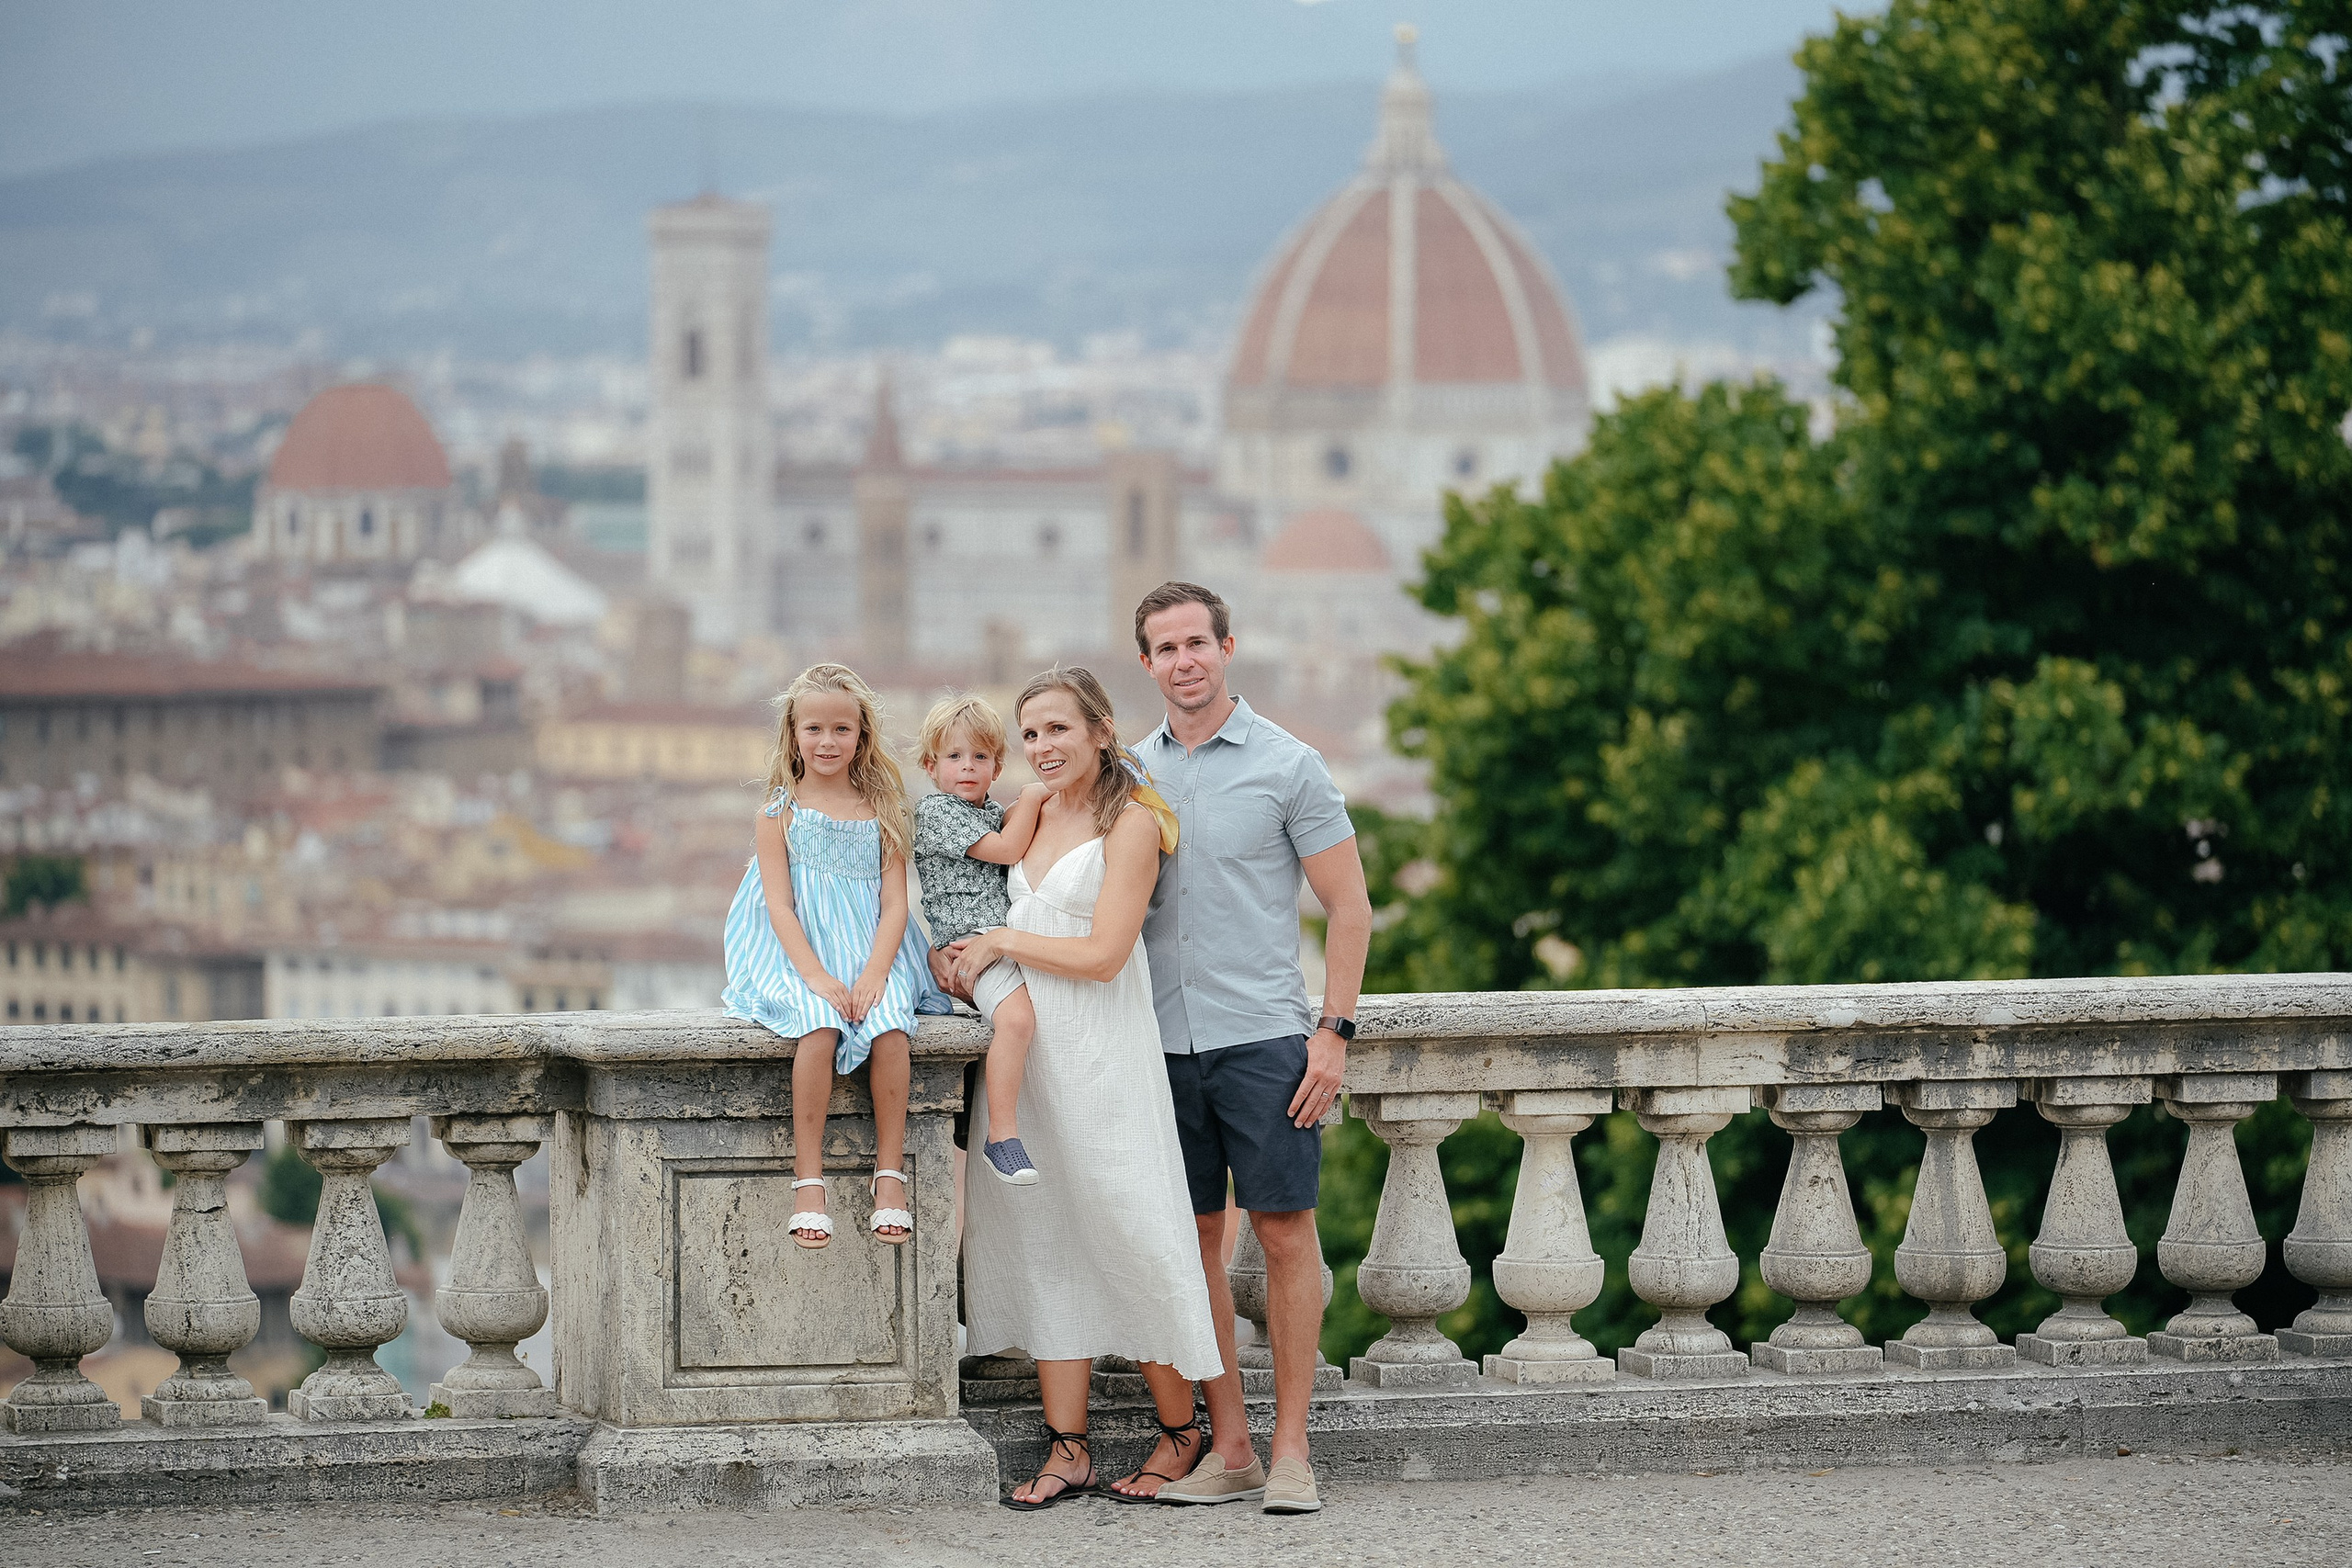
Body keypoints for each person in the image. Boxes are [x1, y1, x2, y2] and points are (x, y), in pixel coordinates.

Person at [948, 666, 1223, 1510]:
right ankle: (1068, 1446)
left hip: (1104, 1052)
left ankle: (1183, 1430)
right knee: (1044, 1237)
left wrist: (1001, 939)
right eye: (1030, 734)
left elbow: (1105, 953)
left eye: (1059, 729)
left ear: (1103, 730)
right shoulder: (1028, 814)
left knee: (1130, 1227)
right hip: (1030, 1057)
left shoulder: (1134, 822)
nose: (1042, 747)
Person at [1127, 581, 1372, 1517]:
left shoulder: (1290, 766)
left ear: (1228, 648)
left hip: (1266, 1038)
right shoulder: (1124, 774)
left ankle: (1293, 1451)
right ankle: (1228, 1446)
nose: (1184, 660)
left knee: (1281, 1235)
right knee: (1193, 1244)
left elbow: (1349, 906)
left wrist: (1333, 1034)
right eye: (1166, 647)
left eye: (1198, 642)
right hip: (1157, 1044)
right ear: (1147, 664)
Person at [720, 662, 950, 1250]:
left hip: (874, 946)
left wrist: (876, 973)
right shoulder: (778, 814)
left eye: (841, 730)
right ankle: (808, 1180)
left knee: (891, 1031)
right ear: (793, 735)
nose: (827, 742)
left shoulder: (883, 809)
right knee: (818, 1029)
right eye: (814, 729)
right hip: (796, 953)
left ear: (862, 735)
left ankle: (890, 1174)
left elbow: (897, 904)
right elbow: (779, 908)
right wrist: (818, 977)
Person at [911, 693, 1047, 1184]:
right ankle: (1001, 1137)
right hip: (972, 944)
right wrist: (1032, 796)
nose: (967, 768)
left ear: (995, 766)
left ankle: (982, 1117)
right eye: (954, 757)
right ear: (931, 765)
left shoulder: (985, 810)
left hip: (994, 940)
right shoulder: (937, 812)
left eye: (980, 757)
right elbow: (1010, 848)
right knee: (1016, 1019)